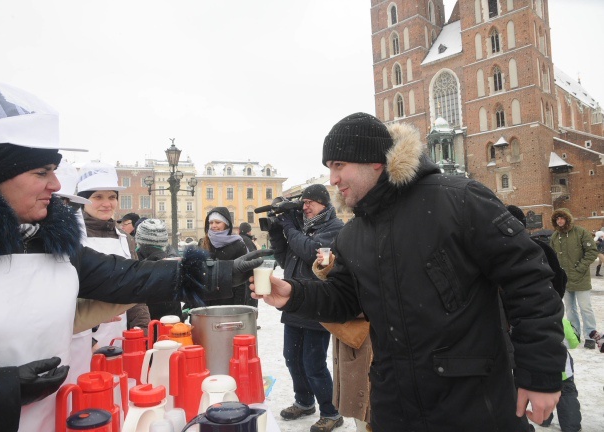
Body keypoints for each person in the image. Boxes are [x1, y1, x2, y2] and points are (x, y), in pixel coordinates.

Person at [0, 82, 270, 432]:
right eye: (41, 172)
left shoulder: (53, 244)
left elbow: (128, 276)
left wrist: (220, 273)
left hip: (61, 417)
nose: (56, 185)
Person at [252, 112, 567, 431]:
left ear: (373, 161)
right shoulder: (353, 235)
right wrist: (295, 294)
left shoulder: (458, 199)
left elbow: (530, 280)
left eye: (338, 165)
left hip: (474, 404)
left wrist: (540, 373)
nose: (332, 179)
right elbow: (346, 298)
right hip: (395, 407)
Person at [268, 183, 344, 432]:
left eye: (310, 202)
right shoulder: (301, 228)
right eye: (304, 202)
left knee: (313, 363)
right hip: (294, 302)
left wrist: (289, 227)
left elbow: (311, 251)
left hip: (317, 303)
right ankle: (304, 401)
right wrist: (277, 231)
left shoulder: (334, 228)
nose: (305, 206)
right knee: (292, 359)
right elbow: (285, 258)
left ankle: (331, 412)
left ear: (324, 204)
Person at [76, 161, 151, 349]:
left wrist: (142, 331)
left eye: (112, 196)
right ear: (83, 199)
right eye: (97, 197)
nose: (106, 203)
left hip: (119, 339)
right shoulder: (70, 237)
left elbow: (136, 289)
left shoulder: (125, 238)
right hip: (78, 340)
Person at [313, 250, 372, 432]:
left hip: (375, 338)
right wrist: (330, 267)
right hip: (354, 338)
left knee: (373, 410)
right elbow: (345, 286)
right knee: (362, 416)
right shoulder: (355, 234)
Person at [550, 208, 600, 349]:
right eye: (557, 218)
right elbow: (552, 257)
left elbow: (591, 252)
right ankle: (575, 332)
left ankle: (590, 334)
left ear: (567, 218)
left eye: (562, 218)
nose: (559, 221)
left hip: (580, 278)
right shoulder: (555, 236)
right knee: (570, 309)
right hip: (564, 280)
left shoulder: (580, 232)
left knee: (585, 308)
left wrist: (580, 268)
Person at [136, 218, 184, 321]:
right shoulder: (173, 262)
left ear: (139, 239)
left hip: (144, 324)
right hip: (173, 324)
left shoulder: (134, 262)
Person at [200, 207, 250, 306]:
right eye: (211, 222)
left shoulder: (238, 244)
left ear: (226, 224)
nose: (213, 225)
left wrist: (238, 306)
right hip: (205, 301)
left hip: (228, 301)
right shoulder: (203, 242)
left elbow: (242, 280)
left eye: (218, 222)